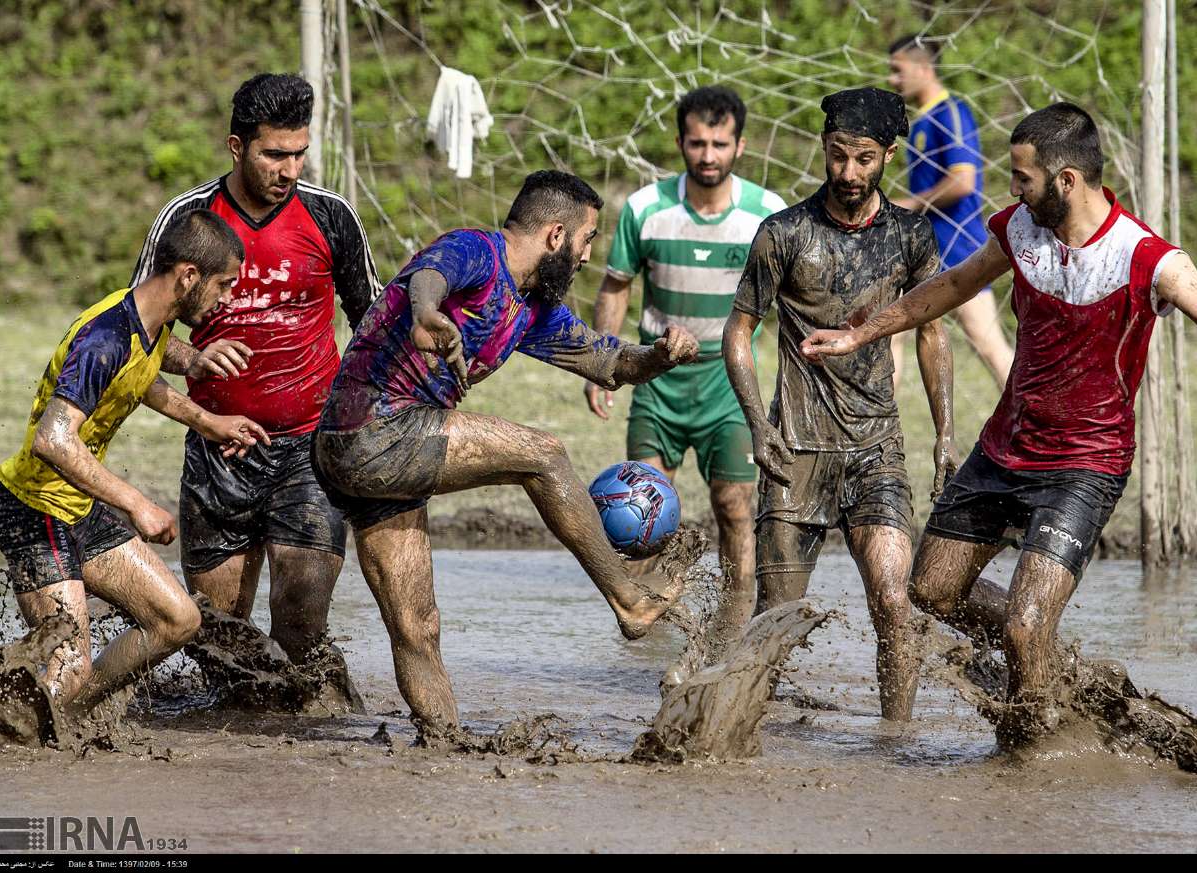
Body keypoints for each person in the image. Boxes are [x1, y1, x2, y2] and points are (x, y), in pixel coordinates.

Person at [800, 102, 1197, 741]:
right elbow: (955, 284)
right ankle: (1049, 661)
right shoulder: (1020, 228)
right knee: (931, 592)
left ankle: (1032, 751)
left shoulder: (1148, 257)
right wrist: (862, 333)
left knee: (1023, 625)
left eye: (1023, 177)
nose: (1013, 189)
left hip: (1086, 463)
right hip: (1004, 448)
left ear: (1066, 180)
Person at [312, 170, 703, 732]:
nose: (588, 257)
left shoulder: (533, 308)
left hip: (384, 458)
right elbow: (429, 275)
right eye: (586, 240)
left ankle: (442, 744)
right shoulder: (477, 251)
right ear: (555, 236)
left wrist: (663, 354)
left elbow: (609, 363)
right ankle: (629, 601)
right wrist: (426, 314)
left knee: (417, 627)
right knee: (543, 454)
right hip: (374, 429)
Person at [723, 88, 959, 721]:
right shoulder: (784, 234)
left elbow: (933, 331)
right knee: (773, 619)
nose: (848, 174)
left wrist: (945, 435)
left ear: (888, 154)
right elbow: (738, 332)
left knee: (893, 600)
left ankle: (896, 735)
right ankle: (739, 736)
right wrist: (756, 421)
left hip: (876, 449)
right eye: (836, 157)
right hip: (794, 449)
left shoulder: (911, 235)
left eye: (862, 159)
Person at [130, 73, 381, 663]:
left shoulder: (332, 217)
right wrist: (192, 355)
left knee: (300, 623)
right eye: (273, 154)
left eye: (299, 154)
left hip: (311, 449)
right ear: (237, 146)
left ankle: (304, 742)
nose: (288, 169)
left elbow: (373, 322)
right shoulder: (187, 219)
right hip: (219, 448)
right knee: (219, 638)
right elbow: (133, 329)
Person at [0, 209, 269, 718]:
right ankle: (6, 743)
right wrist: (138, 504)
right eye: (223, 285)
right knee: (68, 666)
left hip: (76, 509)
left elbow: (144, 382)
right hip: (33, 512)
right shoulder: (106, 338)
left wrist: (210, 422)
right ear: (188, 276)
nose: (226, 299)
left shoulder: (150, 323)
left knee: (177, 620)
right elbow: (53, 441)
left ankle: (72, 716)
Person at [586, 85, 787, 642]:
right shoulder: (645, 209)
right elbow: (616, 286)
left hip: (728, 385)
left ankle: (732, 629)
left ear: (740, 145)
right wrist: (605, 360)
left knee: (735, 508)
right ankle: (639, 630)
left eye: (719, 144)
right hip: (657, 382)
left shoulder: (767, 215)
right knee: (636, 514)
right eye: (696, 143)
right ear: (680, 142)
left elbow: (791, 299)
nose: (707, 155)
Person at [888, 33, 1014, 390]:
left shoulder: (951, 113)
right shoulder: (922, 121)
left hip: (959, 246)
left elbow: (963, 182)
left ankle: (1036, 424)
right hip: (923, 249)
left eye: (897, 71)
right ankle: (879, 432)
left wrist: (911, 203)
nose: (892, 80)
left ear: (923, 67)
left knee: (986, 343)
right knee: (890, 334)